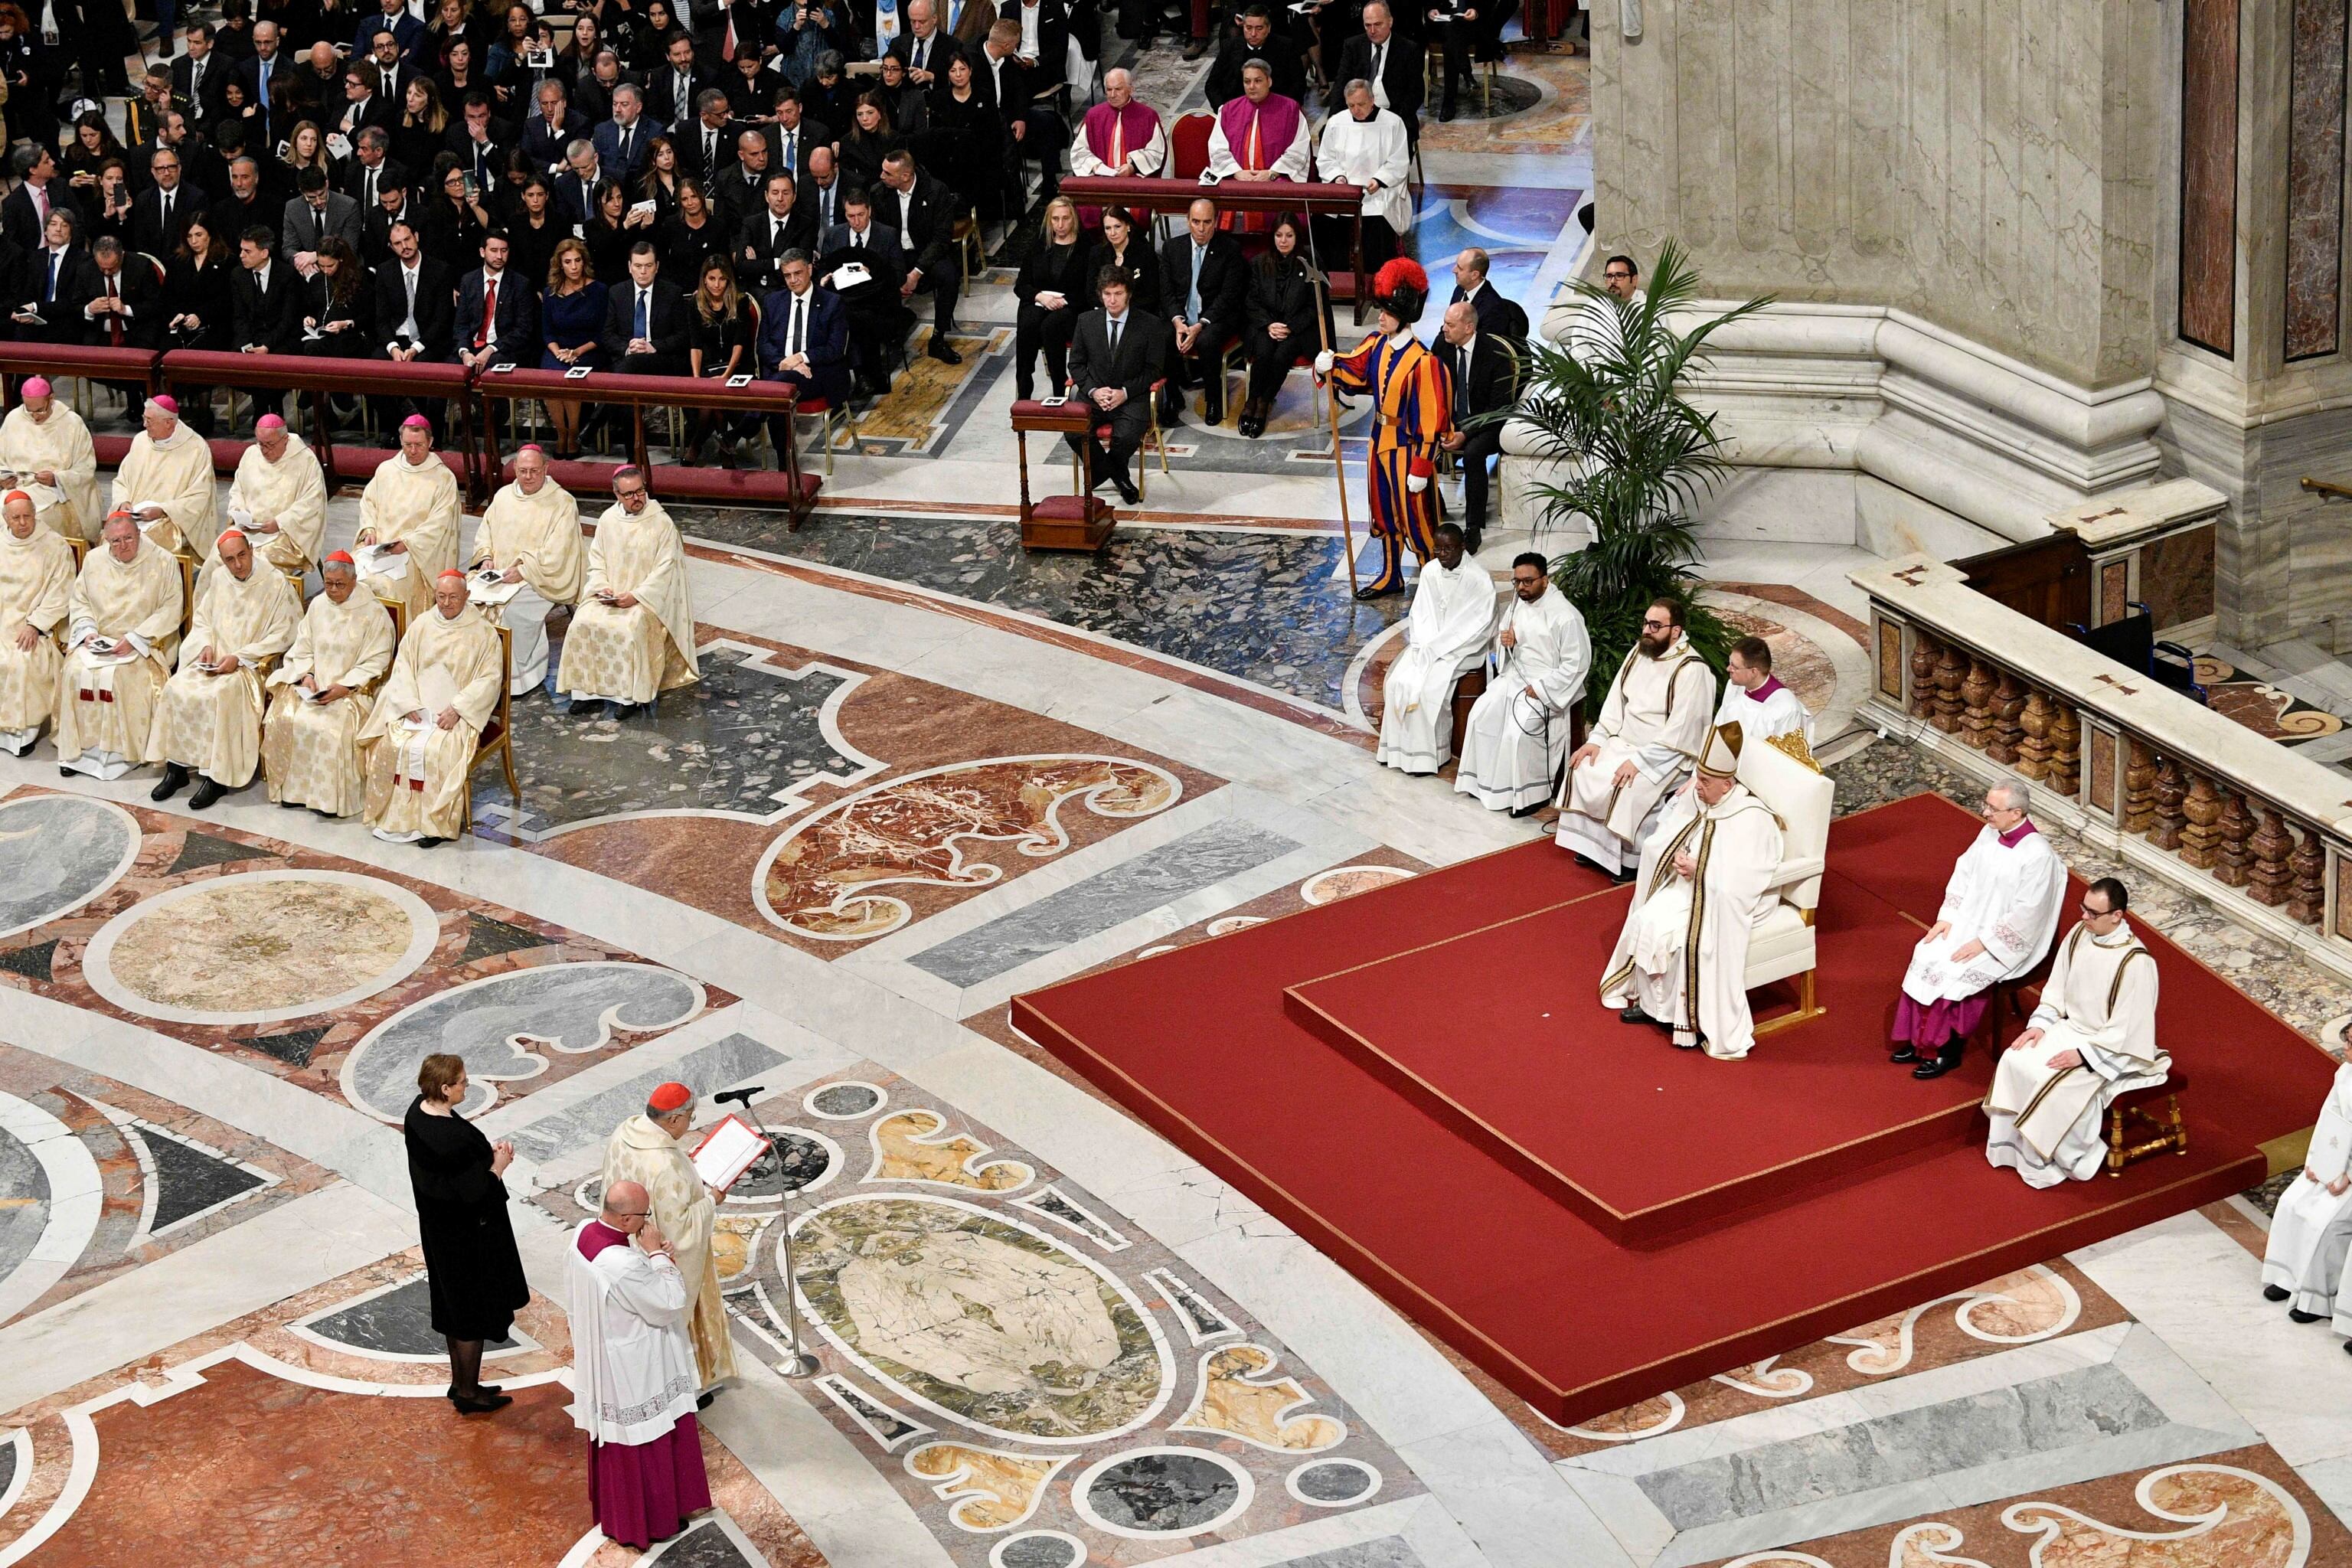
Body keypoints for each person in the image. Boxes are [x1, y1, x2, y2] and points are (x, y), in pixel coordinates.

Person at [1600, 722, 1785, 1060]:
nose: (1697, 787)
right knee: (1649, 918)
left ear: (1727, 784)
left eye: (1705, 782)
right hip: (1692, 887)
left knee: (1677, 934)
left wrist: (1700, 867)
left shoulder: (1751, 817)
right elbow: (1671, 835)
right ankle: (1654, 1006)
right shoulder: (1706, 800)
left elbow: (1749, 874)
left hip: (1724, 897)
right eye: (1699, 778)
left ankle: (1683, 1018)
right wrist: (1678, 856)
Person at [565, 1178, 716, 1550]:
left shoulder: (585, 1232)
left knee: (627, 1439)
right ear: (628, 1219)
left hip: (608, 1349)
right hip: (636, 1360)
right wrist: (659, 1256)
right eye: (644, 1216)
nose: (648, 1222)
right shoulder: (622, 1263)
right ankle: (654, 1520)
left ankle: (627, 1515)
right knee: (647, 1437)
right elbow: (668, 1302)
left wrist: (649, 1253)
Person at [1984, 878, 2164, 1187]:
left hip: (2107, 1047)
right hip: (2069, 1028)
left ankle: (2056, 1160)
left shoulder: (2136, 962)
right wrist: (2039, 1025)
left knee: (2050, 1080)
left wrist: (2083, 1056)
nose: (2084, 917)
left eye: (2093, 913)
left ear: (2117, 916)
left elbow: (2128, 1027)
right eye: (2083, 909)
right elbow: (2056, 987)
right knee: (2015, 1059)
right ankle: (2010, 1151)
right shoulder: (2081, 934)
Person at [1891, 780, 2068, 1080]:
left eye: (1992, 808)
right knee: (1928, 952)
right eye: (1985, 804)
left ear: (2016, 813)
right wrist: (1947, 917)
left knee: (1958, 970)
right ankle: (1918, 1041)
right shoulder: (1990, 832)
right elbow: (1964, 871)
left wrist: (1985, 943)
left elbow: (2028, 913)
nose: (1984, 812)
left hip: (2004, 939)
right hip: (1967, 920)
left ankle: (1946, 1050)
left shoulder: (2038, 855)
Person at [1315, 257, 1452, 598]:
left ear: (1403, 313)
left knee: (1418, 519)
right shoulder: (1377, 343)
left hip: (1408, 449)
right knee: (1385, 513)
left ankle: (1434, 581)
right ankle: (1391, 574)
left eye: (1387, 310)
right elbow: (1355, 371)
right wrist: (1328, 365)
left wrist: (1422, 465)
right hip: (1379, 443)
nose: (1381, 315)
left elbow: (1433, 421)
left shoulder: (1425, 361)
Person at [1550, 598, 1713, 878]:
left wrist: (1639, 761)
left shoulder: (1692, 670)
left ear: (1676, 631)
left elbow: (1682, 731)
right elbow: (1616, 702)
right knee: (1584, 766)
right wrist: (1597, 740)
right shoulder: (1639, 653)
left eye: (1656, 625)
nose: (1647, 631)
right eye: (1646, 623)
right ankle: (1594, 848)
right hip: (1623, 741)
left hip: (1667, 754)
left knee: (1628, 784)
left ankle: (1629, 861)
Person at [406, 1053, 529, 1416]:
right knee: (470, 1313)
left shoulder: (418, 1113)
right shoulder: (450, 1137)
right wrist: (497, 1167)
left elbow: (450, 1177)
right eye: (461, 1082)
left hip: (440, 1232)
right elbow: (473, 1195)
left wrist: (482, 1161)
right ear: (445, 1088)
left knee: (453, 1305)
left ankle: (461, 1383)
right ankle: (470, 1393)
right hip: (466, 1238)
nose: (466, 1086)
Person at [600, 1081, 738, 1396]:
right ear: (673, 1120)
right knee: (672, 1318)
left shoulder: (628, 1130)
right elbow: (680, 1230)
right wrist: (711, 1201)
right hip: (655, 1251)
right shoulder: (667, 1165)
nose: (691, 1123)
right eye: (689, 1117)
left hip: (625, 1242)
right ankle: (684, 1385)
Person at [149, 528, 300, 810]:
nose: (238, 565)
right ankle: (177, 769)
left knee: (221, 695)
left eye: (242, 555)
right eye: (230, 559)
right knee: (176, 687)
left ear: (252, 549)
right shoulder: (219, 579)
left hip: (247, 669)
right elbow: (204, 619)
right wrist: (205, 644)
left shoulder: (275, 584)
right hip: (214, 660)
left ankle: (215, 777)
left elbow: (285, 633)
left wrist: (240, 657)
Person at [360, 570, 502, 844]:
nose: (447, 603)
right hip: (417, 709)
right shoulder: (422, 624)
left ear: (467, 596)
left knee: (437, 751)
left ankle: (434, 825)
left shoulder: (482, 633)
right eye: (441, 597)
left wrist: (458, 708)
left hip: (455, 715)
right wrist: (408, 703)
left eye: (453, 597)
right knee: (392, 743)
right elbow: (402, 667)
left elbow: (490, 679)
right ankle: (396, 819)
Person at [263, 552, 397, 815]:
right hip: (315, 688)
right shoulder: (318, 606)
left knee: (331, 730)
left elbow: (377, 660)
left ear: (355, 580)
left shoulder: (373, 613)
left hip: (351, 693)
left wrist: (345, 687)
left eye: (340, 584)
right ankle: (295, 792)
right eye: (328, 583)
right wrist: (308, 675)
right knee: (285, 718)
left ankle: (329, 800)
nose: (333, 590)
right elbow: (303, 647)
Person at [55, 512, 186, 781]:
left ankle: (123, 754)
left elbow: (171, 608)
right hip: (100, 641)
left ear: (139, 535)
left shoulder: (163, 561)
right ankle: (79, 752)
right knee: (74, 672)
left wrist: (137, 639)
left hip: (142, 646)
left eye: (128, 538)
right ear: (106, 540)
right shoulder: (94, 560)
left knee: (118, 678)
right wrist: (88, 632)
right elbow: (80, 601)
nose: (123, 546)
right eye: (115, 541)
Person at [558, 469, 701, 715]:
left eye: (641, 490)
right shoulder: (607, 520)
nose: (637, 498)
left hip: (645, 601)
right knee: (581, 622)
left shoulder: (662, 523)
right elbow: (597, 560)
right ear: (616, 494)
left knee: (629, 628)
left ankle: (629, 698)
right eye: (629, 494)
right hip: (609, 595)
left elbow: (665, 570)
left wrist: (635, 596)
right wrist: (602, 587)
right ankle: (586, 692)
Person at [1455, 552, 1589, 815]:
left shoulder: (1566, 616)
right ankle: (1481, 782)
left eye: (1528, 582)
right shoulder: (1518, 604)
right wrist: (1508, 643)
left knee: (1518, 732)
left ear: (1545, 580)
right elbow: (1504, 645)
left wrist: (1542, 688)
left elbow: (1576, 664)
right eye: (1516, 582)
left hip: (1548, 685)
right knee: (1481, 715)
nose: (1521, 588)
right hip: (1516, 676)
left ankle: (1531, 795)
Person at [1374, 524, 1492, 774]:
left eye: (1448, 548)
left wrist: (1440, 647)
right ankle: (1397, 751)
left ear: (1462, 547)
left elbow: (1479, 624)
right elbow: (1420, 613)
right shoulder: (1430, 571)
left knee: (1429, 688)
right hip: (1427, 645)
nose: (1442, 554)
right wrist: (1423, 644)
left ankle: (1429, 757)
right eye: (1437, 548)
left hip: (1461, 650)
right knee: (1397, 682)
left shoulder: (1479, 579)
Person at [472, 446, 585, 693]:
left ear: (546, 469)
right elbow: (485, 532)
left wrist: (524, 571)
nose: (528, 477)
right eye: (522, 471)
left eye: (534, 471)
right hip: (498, 575)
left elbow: (559, 552)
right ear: (514, 470)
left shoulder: (562, 502)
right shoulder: (503, 496)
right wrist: (487, 557)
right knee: (467, 601)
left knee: (509, 611)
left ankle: (519, 678)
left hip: (540, 577)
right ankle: (475, 674)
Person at [2261, 1060, 2352, 1326]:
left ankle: (2319, 1298)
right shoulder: (2345, 1072)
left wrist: (2348, 1175)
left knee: (2327, 1223)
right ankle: (2288, 1278)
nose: (2345, 1049)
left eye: (2349, 1043)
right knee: (2292, 1202)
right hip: (2335, 1159)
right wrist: (2318, 1159)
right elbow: (2328, 1119)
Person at [1064, 266, 1165, 505]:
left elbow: (1154, 370)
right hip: (1094, 394)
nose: (1112, 300)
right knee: (1072, 432)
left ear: (1128, 294)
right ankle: (1119, 476)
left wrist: (1125, 392)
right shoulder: (1086, 321)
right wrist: (1093, 390)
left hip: (1132, 396)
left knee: (1128, 435)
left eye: (1118, 294)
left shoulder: (1150, 324)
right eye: (1107, 294)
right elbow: (1076, 364)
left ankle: (1104, 472)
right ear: (1101, 295)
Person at [356, 418, 464, 622]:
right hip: (378, 548)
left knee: (388, 587)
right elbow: (369, 503)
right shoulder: (386, 470)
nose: (413, 451)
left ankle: (397, 642)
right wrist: (369, 529)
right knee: (347, 575)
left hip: (417, 554)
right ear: (400, 441)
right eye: (408, 445)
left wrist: (407, 544)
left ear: (430, 443)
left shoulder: (443, 478)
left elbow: (439, 523)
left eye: (419, 445)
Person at [1434, 299, 1516, 551]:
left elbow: (1499, 407)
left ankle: (1473, 526)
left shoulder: (1495, 354)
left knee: (1472, 454)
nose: (1444, 329)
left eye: (1450, 325)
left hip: (1487, 423)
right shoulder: (1442, 347)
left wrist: (1465, 433)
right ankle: (1435, 507)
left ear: (1469, 328)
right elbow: (1432, 389)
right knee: (1417, 443)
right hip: (1451, 420)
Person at [1158, 198, 1246, 427]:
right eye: (1196, 221)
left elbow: (1228, 297)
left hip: (1215, 317)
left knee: (1207, 341)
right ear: (1188, 221)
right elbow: (1166, 293)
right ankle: (1173, 394)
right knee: (1161, 336)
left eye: (1207, 222)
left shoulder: (1230, 250)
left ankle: (1214, 399)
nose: (1201, 228)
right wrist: (1178, 322)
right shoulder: (1172, 248)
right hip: (1182, 316)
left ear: (1215, 222)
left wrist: (1200, 325)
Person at [755, 250, 850, 459]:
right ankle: (785, 462)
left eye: (797, 273)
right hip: (782, 371)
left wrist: (800, 358)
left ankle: (745, 429)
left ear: (809, 269)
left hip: (817, 375)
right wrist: (785, 363)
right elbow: (763, 344)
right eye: (787, 275)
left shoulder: (832, 303)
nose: (793, 280)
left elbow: (834, 349)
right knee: (781, 391)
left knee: (777, 388)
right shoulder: (773, 301)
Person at [0, 492, 74, 756]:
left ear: (35, 514)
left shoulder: (54, 546)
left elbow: (61, 593)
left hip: (34, 627)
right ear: (6, 519)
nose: (22, 523)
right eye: (16, 518)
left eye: (27, 516)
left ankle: (20, 735)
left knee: (21, 660)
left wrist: (35, 625)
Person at [1314, 80, 1410, 274]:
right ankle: (1337, 279)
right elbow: (1326, 159)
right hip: (1344, 192)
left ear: (1372, 100)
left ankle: (1376, 280)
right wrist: (1337, 177)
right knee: (1324, 220)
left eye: (1361, 104)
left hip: (1378, 192)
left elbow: (1399, 161)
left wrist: (1380, 180)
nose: (1356, 110)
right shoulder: (1336, 123)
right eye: (1351, 106)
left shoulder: (1392, 123)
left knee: (1377, 222)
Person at [110, 398, 218, 559]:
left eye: (149, 420)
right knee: (111, 539)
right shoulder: (140, 441)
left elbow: (200, 496)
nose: (145, 425)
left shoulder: (196, 448)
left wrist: (163, 510)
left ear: (168, 423)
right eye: (144, 418)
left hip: (171, 519)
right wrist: (123, 501)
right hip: (135, 515)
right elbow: (122, 479)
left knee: (145, 543)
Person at [226, 415, 329, 580]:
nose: (265, 450)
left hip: (287, 535)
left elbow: (312, 504)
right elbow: (237, 490)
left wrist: (280, 523)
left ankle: (268, 605)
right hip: (248, 530)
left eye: (270, 444)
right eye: (261, 444)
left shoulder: (306, 461)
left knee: (259, 563)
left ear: (285, 439)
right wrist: (239, 512)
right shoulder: (251, 455)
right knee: (220, 554)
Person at [1011, 196, 1094, 401]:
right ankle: (1024, 384)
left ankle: (1060, 385)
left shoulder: (1087, 247)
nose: (1060, 224)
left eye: (1065, 218)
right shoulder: (1040, 245)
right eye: (1055, 219)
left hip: (1072, 307)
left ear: (1073, 219)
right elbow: (1021, 285)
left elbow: (1090, 290)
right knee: (1029, 322)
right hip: (1041, 301)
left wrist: (1064, 301)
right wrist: (1041, 296)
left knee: (1051, 326)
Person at [1205, 60, 1310, 218]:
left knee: (1285, 203)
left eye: (1258, 81)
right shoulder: (1228, 110)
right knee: (1217, 194)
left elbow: (1299, 148)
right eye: (1247, 81)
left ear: (1269, 81)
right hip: (1237, 176)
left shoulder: (1290, 109)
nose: (1251, 86)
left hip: (1276, 177)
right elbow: (1217, 148)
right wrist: (1237, 172)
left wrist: (1271, 173)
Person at [0, 379, 100, 541]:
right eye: (29, 410)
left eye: (39, 410)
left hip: (55, 491)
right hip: (15, 489)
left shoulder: (72, 423)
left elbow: (86, 468)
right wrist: (3, 480)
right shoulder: (14, 419)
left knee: (37, 518)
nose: (34, 416)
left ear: (51, 399)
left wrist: (57, 479)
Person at [603, 243, 692, 374]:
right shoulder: (617, 293)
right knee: (630, 363)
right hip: (627, 358)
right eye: (638, 266)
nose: (643, 272)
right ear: (629, 267)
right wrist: (628, 349)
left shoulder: (673, 293)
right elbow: (608, 335)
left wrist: (653, 346)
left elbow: (682, 336)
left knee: (633, 365)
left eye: (648, 266)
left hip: (661, 357)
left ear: (657, 267)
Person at [1712, 635, 1811, 746]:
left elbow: (1783, 757)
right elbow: (1720, 727)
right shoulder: (1734, 686)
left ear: (1754, 672)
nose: (1728, 669)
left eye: (1734, 667)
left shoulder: (1787, 708)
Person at [1068, 67, 1165, 178]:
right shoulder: (1094, 115)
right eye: (1109, 89)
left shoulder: (1148, 116)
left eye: (1118, 89)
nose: (1112, 95)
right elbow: (1080, 149)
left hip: (1135, 182)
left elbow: (1156, 152)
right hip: (1101, 182)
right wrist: (1094, 165)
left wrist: (1133, 166)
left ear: (1131, 90)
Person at [1451, 247, 1529, 343]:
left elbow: (1483, 347)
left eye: (1460, 268)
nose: (1454, 270)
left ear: (1474, 275)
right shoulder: (1459, 291)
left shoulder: (1494, 308)